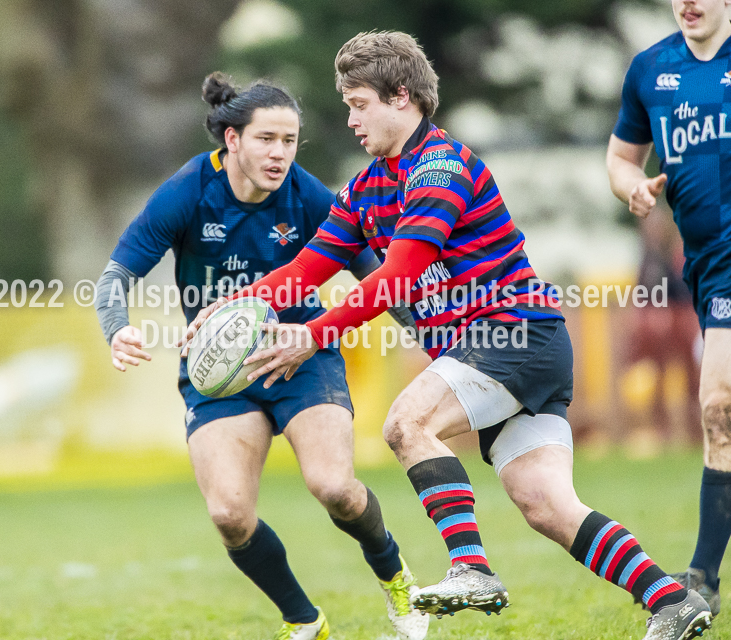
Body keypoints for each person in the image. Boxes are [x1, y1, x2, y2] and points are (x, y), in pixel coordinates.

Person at [184, 32, 713, 640]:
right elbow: (306, 269)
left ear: (400, 96)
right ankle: (670, 600)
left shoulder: (440, 166)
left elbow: (399, 275)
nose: (350, 118)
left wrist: (312, 334)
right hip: (505, 349)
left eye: (359, 103)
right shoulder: (366, 187)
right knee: (546, 503)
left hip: (513, 335)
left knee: (407, 423)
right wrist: (231, 305)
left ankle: (471, 569)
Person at [96, 72, 428, 640]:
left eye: (289, 141)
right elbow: (116, 274)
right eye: (266, 140)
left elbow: (377, 272)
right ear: (232, 141)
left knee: (336, 489)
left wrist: (432, 337)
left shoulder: (309, 195)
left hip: (301, 354)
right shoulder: (188, 191)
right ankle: (305, 620)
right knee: (229, 514)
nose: (279, 155)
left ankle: (397, 578)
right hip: (218, 368)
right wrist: (116, 330)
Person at [606, 0, 731, 618]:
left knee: (717, 401)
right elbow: (622, 156)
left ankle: (703, 573)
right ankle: (705, 577)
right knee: (717, 406)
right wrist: (630, 184)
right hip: (708, 268)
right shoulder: (650, 69)